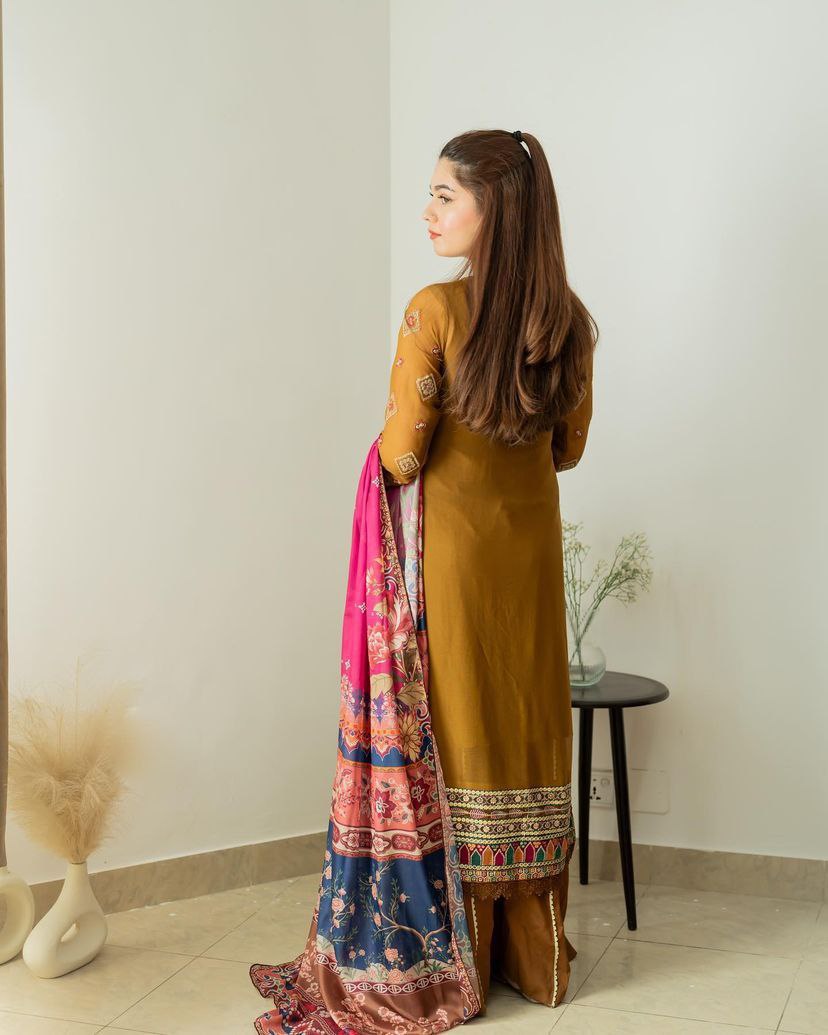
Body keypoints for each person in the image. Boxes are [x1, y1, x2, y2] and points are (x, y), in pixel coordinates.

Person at [377, 127, 597, 1012]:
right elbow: (568, 449)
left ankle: (459, 957)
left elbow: (402, 456)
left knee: (463, 724)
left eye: (444, 195)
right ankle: (539, 960)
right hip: (531, 560)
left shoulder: (434, 309)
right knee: (527, 721)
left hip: (457, 563)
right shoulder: (568, 321)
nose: (428, 211)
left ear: (493, 209)